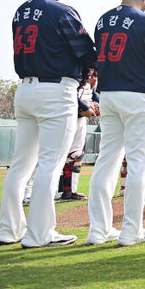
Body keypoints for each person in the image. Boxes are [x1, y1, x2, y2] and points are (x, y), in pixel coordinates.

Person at [0, 0, 96, 248]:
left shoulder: (21, 11)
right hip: (55, 90)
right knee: (50, 164)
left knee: (20, 165)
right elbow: (86, 51)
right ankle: (40, 233)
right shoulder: (62, 10)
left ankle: (8, 230)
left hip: (25, 89)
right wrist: (91, 69)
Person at [87, 0, 145, 246]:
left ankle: (98, 230)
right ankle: (131, 231)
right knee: (138, 164)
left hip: (109, 94)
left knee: (106, 160)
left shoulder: (103, 20)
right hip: (139, 95)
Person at [58, 68, 98, 201]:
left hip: (80, 119)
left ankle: (69, 191)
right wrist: (85, 108)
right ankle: (30, 194)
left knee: (76, 155)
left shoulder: (93, 78)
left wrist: (99, 105)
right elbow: (69, 93)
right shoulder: (77, 72)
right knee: (56, 155)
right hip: (66, 116)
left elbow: (93, 95)